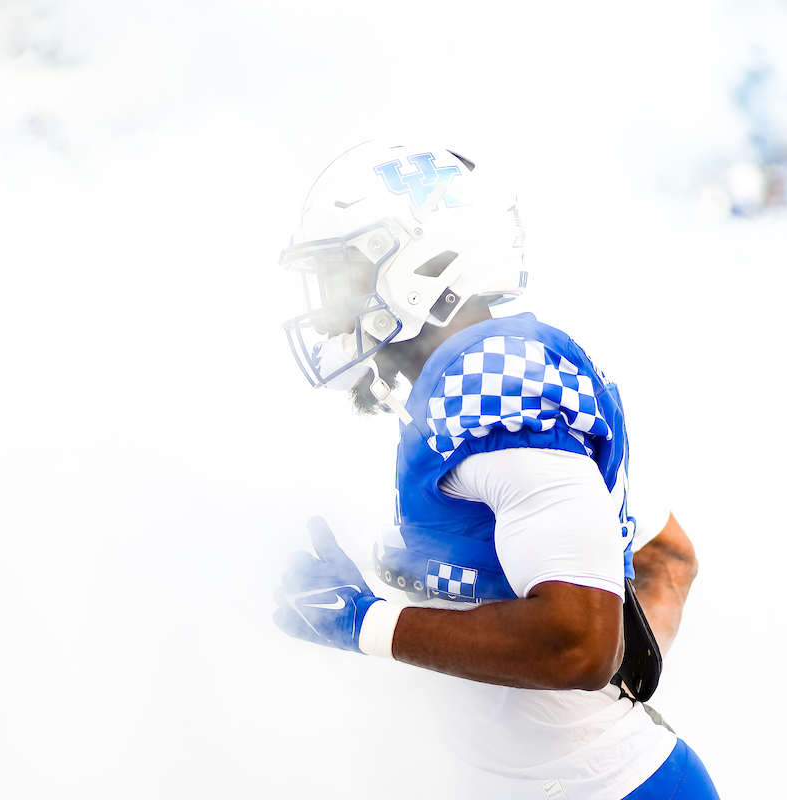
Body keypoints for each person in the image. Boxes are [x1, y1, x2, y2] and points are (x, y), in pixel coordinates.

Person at [272, 139, 717, 800]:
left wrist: (363, 623)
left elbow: (579, 643)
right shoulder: (454, 392)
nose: (333, 307)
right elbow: (669, 557)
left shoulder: (491, 381)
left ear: (424, 264)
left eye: (348, 275)